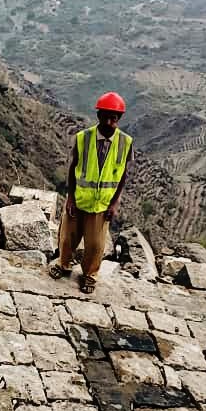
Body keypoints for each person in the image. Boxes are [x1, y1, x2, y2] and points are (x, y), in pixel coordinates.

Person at [49, 92, 133, 294]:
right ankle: (63, 265)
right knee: (68, 237)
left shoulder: (126, 142)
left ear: (119, 118)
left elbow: (122, 176)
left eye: (114, 117)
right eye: (106, 116)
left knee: (96, 245)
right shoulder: (83, 138)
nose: (109, 121)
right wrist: (70, 197)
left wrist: (114, 204)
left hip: (102, 204)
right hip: (79, 199)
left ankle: (89, 275)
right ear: (99, 115)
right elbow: (73, 168)